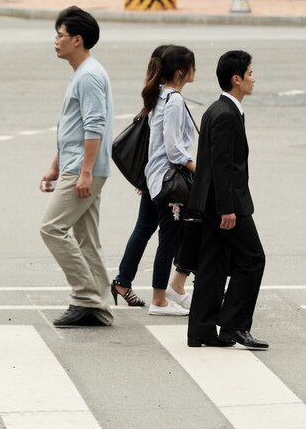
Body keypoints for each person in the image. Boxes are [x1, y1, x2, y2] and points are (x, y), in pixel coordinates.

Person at [39, 6, 114, 327]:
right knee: (85, 238)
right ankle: (98, 303)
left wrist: (84, 172)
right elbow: (73, 127)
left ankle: (86, 298)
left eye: (60, 35)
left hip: (85, 170)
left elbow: (94, 125)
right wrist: (56, 166)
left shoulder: (90, 76)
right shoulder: (84, 73)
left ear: (77, 40)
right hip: (77, 165)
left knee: (52, 229)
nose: (56, 41)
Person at [187, 51, 266, 349]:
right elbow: (221, 166)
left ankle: (201, 331)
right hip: (226, 204)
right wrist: (228, 209)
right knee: (253, 259)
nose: (253, 78)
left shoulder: (218, 110)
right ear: (236, 79)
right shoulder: (226, 115)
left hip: (212, 202)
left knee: (213, 264)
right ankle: (234, 325)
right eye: (249, 73)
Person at [112, 45, 196, 316]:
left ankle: (123, 281)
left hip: (155, 177)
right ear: (182, 71)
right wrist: (197, 167)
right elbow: (173, 149)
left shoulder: (159, 96)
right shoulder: (173, 101)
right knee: (169, 240)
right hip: (167, 181)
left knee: (144, 227)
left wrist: (148, 176)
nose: (196, 71)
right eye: (193, 66)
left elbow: (154, 143)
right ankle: (160, 300)